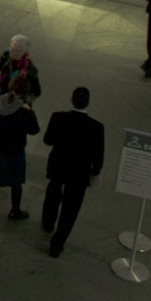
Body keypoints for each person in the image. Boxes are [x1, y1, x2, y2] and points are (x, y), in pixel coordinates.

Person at [40, 87, 105, 256]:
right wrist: (95, 172)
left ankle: (47, 223)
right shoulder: (96, 128)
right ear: (88, 102)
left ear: (71, 100)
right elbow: (98, 155)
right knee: (71, 209)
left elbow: (48, 140)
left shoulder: (58, 117)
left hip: (58, 167)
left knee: (52, 195)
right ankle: (57, 244)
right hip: (79, 173)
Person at [0, 77, 39, 219]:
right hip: (14, 149)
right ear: (26, 91)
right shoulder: (25, 111)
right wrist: (29, 111)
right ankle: (14, 210)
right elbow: (35, 130)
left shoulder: (0, 100)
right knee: (16, 182)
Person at [0, 34, 43, 99]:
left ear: (24, 52)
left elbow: (36, 92)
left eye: (16, 50)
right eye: (11, 48)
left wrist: (23, 102)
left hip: (13, 100)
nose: (12, 52)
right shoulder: (7, 55)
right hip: (0, 90)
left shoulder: (29, 70)